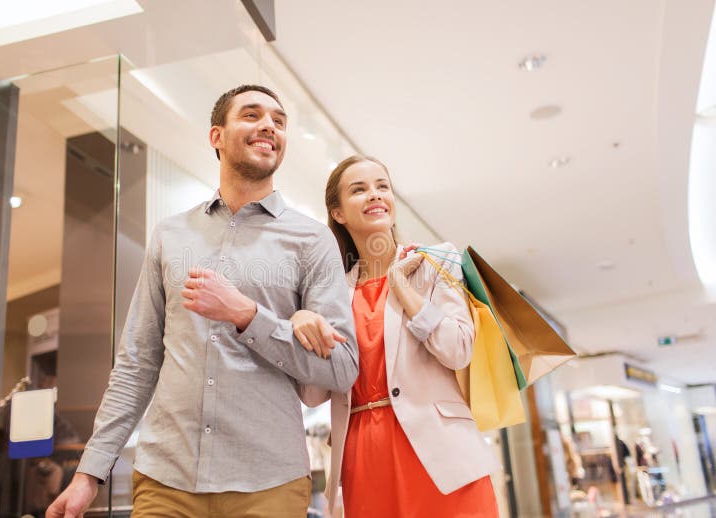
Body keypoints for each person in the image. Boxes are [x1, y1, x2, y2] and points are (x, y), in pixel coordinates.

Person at [46, 85, 359, 518]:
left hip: (268, 483)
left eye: (279, 120)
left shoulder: (312, 240)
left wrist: (248, 316)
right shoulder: (170, 235)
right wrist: (88, 474)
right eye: (252, 115)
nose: (269, 125)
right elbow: (137, 363)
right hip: (165, 482)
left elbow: (342, 367)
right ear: (216, 136)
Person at [297, 155, 501, 517]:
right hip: (364, 454)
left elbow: (458, 350)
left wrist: (402, 290)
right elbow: (313, 395)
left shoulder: (437, 261)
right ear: (339, 212)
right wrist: (303, 327)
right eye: (359, 190)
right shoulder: (332, 292)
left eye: (382, 187)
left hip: (441, 452)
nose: (375, 195)